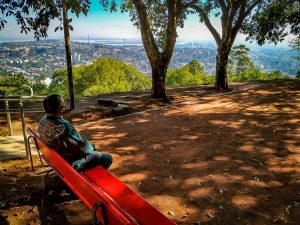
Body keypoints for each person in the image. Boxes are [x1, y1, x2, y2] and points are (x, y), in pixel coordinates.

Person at [38, 94, 113, 172]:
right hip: (70, 163)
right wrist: (92, 147)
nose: (64, 106)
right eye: (63, 104)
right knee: (106, 158)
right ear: (61, 108)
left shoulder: (43, 121)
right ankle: (87, 179)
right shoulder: (63, 125)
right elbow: (83, 149)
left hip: (56, 159)